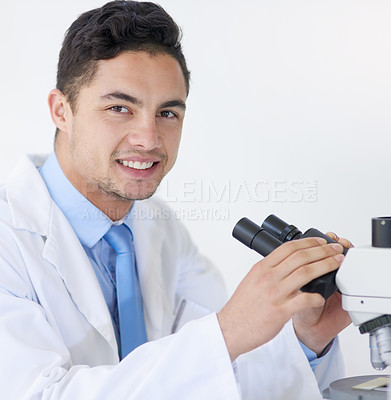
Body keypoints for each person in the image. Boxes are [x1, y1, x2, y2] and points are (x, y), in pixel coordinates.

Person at [0, 1, 351, 399]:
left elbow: (223, 377)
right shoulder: (9, 243)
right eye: (120, 108)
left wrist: (308, 336)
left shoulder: (159, 229)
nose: (148, 139)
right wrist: (228, 330)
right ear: (61, 110)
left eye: (167, 113)